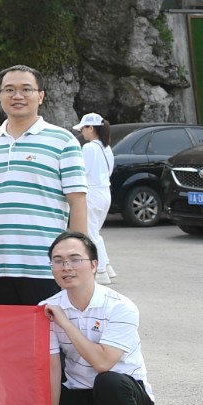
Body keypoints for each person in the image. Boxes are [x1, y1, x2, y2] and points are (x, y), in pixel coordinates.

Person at [43, 231, 154, 405]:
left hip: (128, 400)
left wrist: (65, 322)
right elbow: (51, 369)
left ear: (94, 265)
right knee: (32, 389)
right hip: (81, 395)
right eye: (58, 261)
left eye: (75, 259)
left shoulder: (120, 307)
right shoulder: (47, 307)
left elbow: (103, 363)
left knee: (108, 380)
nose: (66, 267)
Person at [0, 65, 88, 306]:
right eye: (9, 89)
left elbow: (77, 201)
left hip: (47, 266)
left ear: (41, 95)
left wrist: (79, 259)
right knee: (4, 331)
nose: (17, 96)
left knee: (50, 331)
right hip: (0, 267)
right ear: (0, 96)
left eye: (26, 89)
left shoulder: (63, 141)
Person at [75, 113, 117, 283]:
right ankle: (106, 266)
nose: (82, 132)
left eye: (83, 128)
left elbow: (81, 172)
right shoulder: (106, 148)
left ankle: (101, 272)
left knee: (91, 234)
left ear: (91, 128)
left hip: (92, 193)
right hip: (105, 192)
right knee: (94, 232)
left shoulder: (89, 148)